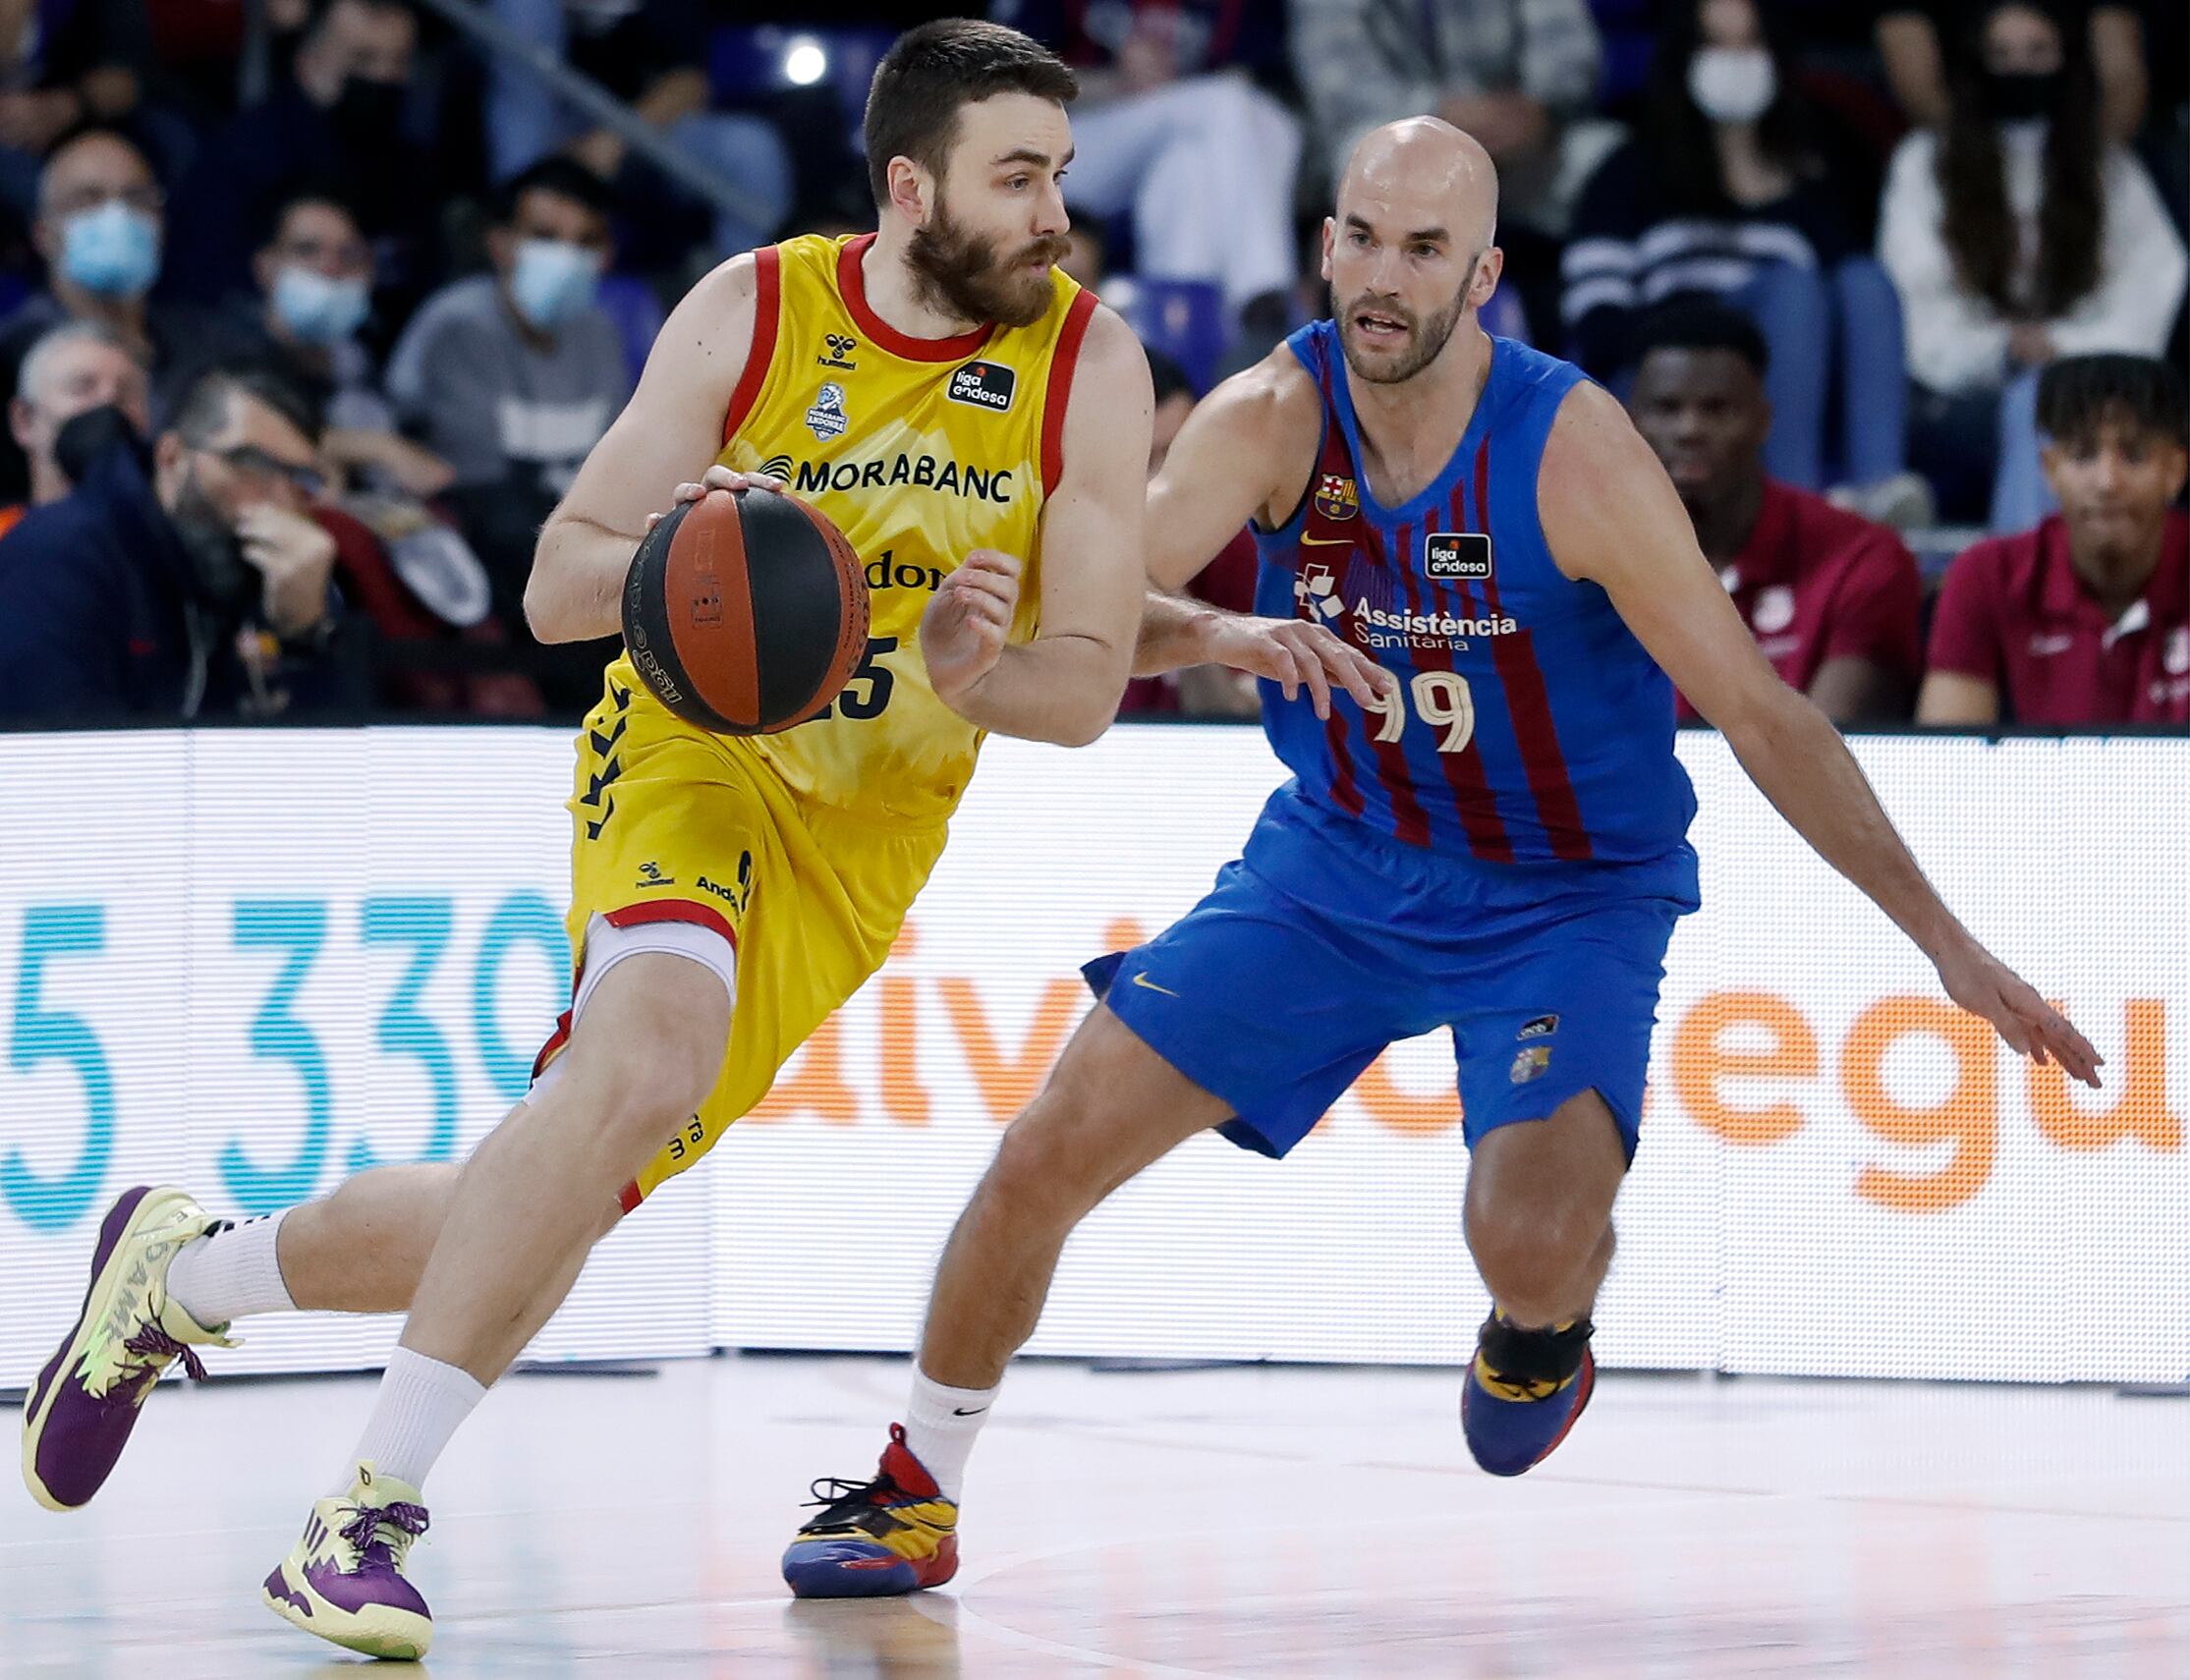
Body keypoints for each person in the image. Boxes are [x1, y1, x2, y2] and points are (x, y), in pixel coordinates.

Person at [13, 19, 1272, 1660]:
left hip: (866, 837)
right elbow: (552, 586)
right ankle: (358, 1522)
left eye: (1060, 175)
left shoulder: (1088, 367)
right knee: (642, 1050)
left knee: (538, 1187)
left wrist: (977, 668)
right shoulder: (752, 312)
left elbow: (1087, 685)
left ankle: (184, 1276)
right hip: (693, 751)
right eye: (1017, 177)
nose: (1053, 214)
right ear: (910, 188)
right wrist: (697, 551)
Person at [778, 116, 2102, 1599]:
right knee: (1039, 1158)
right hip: (1334, 865)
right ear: (1326, 243)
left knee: (1525, 1240)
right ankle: (913, 1489)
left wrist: (1945, 941)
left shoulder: (1572, 447)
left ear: (1485, 276)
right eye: (1361, 238)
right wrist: (1084, 640)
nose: (1382, 279)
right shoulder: (1272, 410)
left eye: (1424, 251)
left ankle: (1543, 1332)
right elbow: (1099, 615)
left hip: (1566, 893)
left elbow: (1757, 707)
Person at [1563, 0, 1921, 516]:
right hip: (1664, 377)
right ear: (1685, 55)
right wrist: (1707, 333)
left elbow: (1858, 306)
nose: (1735, 61)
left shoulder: (1812, 180)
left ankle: (1882, 487)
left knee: (1864, 279)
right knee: (1794, 291)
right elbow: (1597, 324)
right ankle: (1790, 503)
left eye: (1749, 43)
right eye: (1716, 44)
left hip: (1786, 377)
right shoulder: (1629, 171)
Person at [1879, 1, 2185, 529]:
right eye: (2002, 54)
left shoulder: (2106, 167)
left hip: (2088, 388)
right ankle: (2021, 583)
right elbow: (1913, 295)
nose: (2020, 69)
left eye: (2038, 52)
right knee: (2034, 401)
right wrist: (1999, 347)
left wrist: (2063, 349)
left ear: (2067, 61)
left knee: (2046, 401)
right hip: (1958, 396)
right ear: (1975, 64)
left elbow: (2153, 284)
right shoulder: (1924, 163)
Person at [384, 156, 627, 706]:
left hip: (575, 565)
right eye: (545, 236)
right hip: (485, 580)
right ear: (501, 244)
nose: (567, 257)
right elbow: (479, 497)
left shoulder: (600, 334)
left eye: (585, 241)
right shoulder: (460, 327)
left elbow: (621, 474)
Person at [1627, 299, 1923, 723]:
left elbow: (1822, 763)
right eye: (1667, 409)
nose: (1689, 430)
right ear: (1631, 422)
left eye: (1717, 409)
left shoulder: (1862, 561)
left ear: (1764, 420)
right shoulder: (1579, 568)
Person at [0, 363, 346, 719]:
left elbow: (319, 761)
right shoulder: (59, 557)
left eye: (297, 477)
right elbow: (57, 758)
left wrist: (302, 635)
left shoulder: (278, 571)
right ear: (172, 455)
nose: (280, 500)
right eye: (252, 463)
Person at [1291, 0, 1604, 340]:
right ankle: (1357, 341)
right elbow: (1341, 82)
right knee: (1365, 155)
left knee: (1603, 155)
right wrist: (1440, 115)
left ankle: (1597, 342)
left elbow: (1570, 50)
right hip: (1397, 125)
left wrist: (1537, 108)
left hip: (1519, 132)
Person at [991, 0, 1303, 335]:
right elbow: (1008, 84)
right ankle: (1263, 292)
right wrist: (1116, 80)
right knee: (1221, 103)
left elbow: (1261, 79)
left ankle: (1179, 337)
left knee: (1193, 161)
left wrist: (1175, 85)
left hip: (1178, 130)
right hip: (1066, 148)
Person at [1918, 353, 2188, 725]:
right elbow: (1950, 764)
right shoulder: (1985, 575)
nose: (2107, 482)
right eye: (2083, 456)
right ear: (2050, 469)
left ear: (2175, 471)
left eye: (2135, 456)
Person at [163, 0, 442, 308]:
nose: (383, 77)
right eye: (363, 59)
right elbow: (208, 282)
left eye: (399, 62)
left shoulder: (410, 168)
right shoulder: (246, 154)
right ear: (309, 61)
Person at [1118, 347, 1259, 717]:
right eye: (1144, 460)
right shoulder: (1033, 537)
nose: (1162, 482)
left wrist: (1165, 597)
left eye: (1178, 455)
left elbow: (1234, 716)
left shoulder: (1235, 543)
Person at [1, 319, 151, 532]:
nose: (107, 401)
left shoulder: (168, 540)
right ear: (24, 420)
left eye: (126, 392)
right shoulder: (6, 540)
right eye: (81, 388)